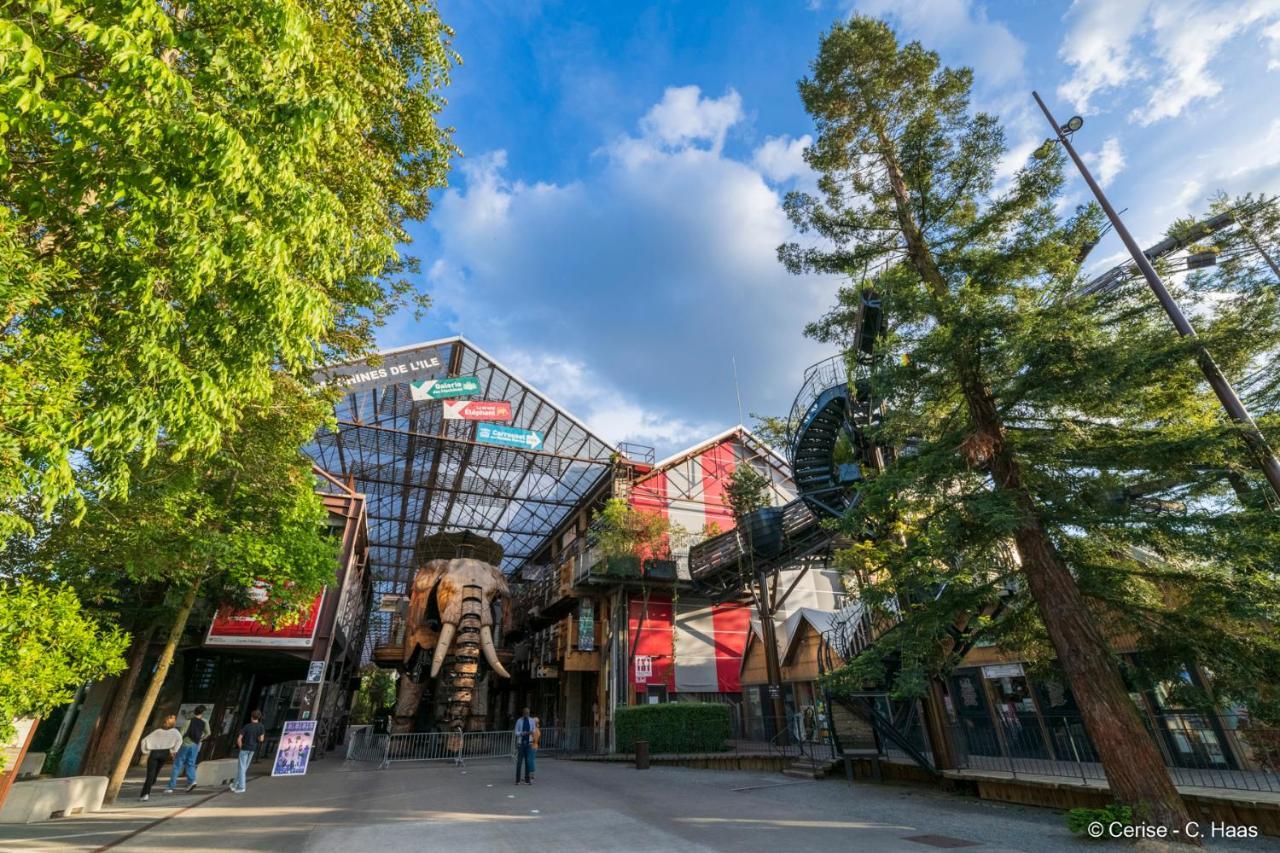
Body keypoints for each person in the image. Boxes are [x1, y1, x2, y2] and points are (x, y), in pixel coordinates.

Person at [138, 715, 182, 801]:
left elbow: (144, 740)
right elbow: (180, 740)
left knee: (150, 774)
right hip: (165, 753)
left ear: (164, 722)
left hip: (154, 753)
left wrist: (145, 751)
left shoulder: (157, 731)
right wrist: (173, 750)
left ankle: (146, 794)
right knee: (155, 773)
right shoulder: (175, 732)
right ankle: (150, 785)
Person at [166, 705, 208, 793]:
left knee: (177, 765)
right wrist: (201, 739)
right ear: (202, 713)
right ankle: (192, 781)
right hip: (195, 745)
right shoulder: (205, 722)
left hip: (185, 745)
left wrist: (174, 748)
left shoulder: (188, 721)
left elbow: (180, 735)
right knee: (191, 764)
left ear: (194, 712)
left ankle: (170, 787)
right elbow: (208, 733)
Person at [231, 710, 265, 793]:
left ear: (251, 716)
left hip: (245, 748)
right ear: (259, 718)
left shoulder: (247, 726)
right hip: (253, 749)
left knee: (242, 767)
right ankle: (235, 784)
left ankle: (242, 787)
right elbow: (261, 739)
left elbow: (239, 739)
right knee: (244, 767)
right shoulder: (261, 726)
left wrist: (241, 747)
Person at [514, 707, 537, 785]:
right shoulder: (519, 721)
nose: (527, 714)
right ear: (523, 713)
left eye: (528, 713)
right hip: (521, 743)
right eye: (525, 713)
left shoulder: (532, 720)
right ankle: (517, 780)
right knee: (519, 762)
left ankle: (527, 779)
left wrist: (531, 732)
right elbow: (516, 732)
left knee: (528, 761)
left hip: (529, 743)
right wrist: (521, 733)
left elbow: (534, 730)